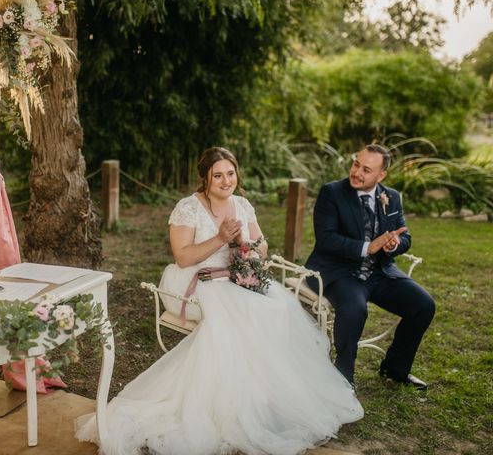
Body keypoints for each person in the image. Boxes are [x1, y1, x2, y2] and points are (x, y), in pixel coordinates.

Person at [76, 147, 362, 455]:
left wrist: (248, 246)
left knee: (278, 307)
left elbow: (262, 246)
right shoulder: (189, 207)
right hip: (196, 279)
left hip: (234, 275)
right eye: (218, 175)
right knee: (242, 314)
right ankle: (228, 404)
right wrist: (221, 239)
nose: (226, 181)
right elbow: (182, 257)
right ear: (205, 179)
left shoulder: (242, 204)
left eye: (230, 173)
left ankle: (263, 397)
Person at [305, 144, 435, 389]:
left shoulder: (392, 197)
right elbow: (327, 238)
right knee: (355, 309)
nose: (357, 172)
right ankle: (342, 379)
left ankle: (395, 369)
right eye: (356, 164)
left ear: (381, 175)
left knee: (423, 305)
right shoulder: (331, 193)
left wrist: (395, 244)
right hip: (340, 272)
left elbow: (405, 236)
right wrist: (368, 247)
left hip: (379, 272)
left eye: (366, 169)